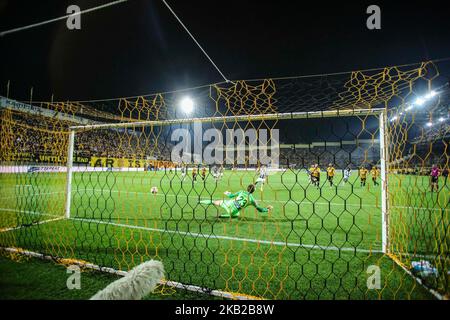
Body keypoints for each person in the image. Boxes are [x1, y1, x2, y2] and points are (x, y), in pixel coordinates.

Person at [200, 184, 273, 218]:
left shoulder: (241, 191)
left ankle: (200, 202)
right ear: (253, 191)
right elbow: (260, 210)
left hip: (228, 204)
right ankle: (221, 216)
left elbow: (231, 196)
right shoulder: (252, 200)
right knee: (237, 214)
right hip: (232, 211)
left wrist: (227, 192)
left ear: (247, 188)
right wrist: (267, 209)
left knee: (214, 202)